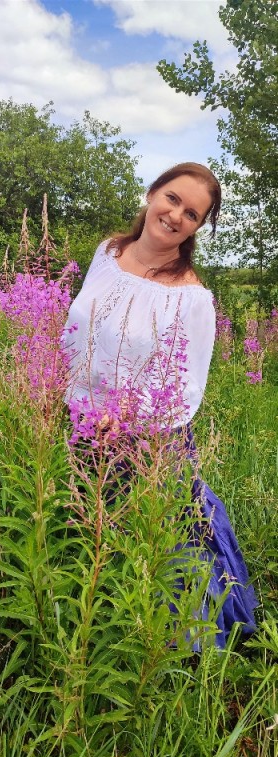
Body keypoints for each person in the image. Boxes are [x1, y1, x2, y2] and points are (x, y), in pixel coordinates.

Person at [63, 162, 258, 648]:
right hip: (79, 418)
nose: (175, 215)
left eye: (192, 213)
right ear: (152, 193)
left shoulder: (191, 298)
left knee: (162, 537)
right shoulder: (108, 252)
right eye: (172, 198)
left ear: (197, 227)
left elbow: (186, 386)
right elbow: (80, 329)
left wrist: (124, 418)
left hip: (144, 436)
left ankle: (182, 643)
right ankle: (92, 627)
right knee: (86, 531)